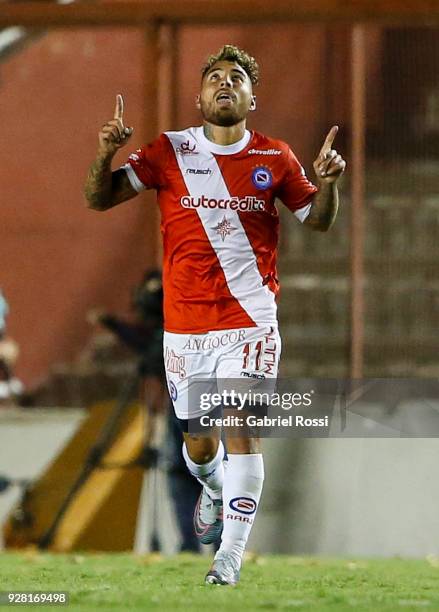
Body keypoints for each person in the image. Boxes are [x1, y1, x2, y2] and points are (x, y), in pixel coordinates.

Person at [84, 44, 346, 585]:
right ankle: (211, 485)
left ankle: (228, 558)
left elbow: (316, 221)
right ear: (200, 95)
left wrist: (329, 183)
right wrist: (104, 153)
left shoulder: (275, 157)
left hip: (249, 321)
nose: (225, 84)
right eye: (215, 78)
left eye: (237, 78)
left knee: (241, 427)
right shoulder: (168, 151)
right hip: (184, 330)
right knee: (199, 444)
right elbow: (99, 198)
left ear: (253, 96)